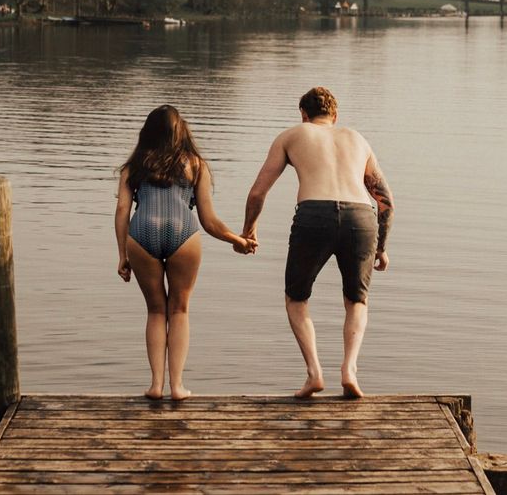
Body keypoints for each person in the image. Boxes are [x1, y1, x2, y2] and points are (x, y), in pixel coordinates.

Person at [242, 87, 394, 399]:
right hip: (361, 217)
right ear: (335, 117)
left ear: (303, 115)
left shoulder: (292, 135)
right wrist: (381, 247)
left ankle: (314, 373)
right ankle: (349, 370)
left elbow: (258, 192)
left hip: (315, 214)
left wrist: (249, 230)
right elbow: (386, 201)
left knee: (296, 297)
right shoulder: (357, 138)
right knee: (357, 300)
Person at [115, 105, 256, 400]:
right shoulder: (196, 164)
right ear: (182, 132)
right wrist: (236, 240)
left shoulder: (134, 166)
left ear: (148, 132)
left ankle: (156, 386)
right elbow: (209, 220)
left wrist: (122, 255)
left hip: (141, 235)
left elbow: (122, 211)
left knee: (156, 310)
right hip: (183, 234)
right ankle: (177, 386)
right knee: (179, 309)